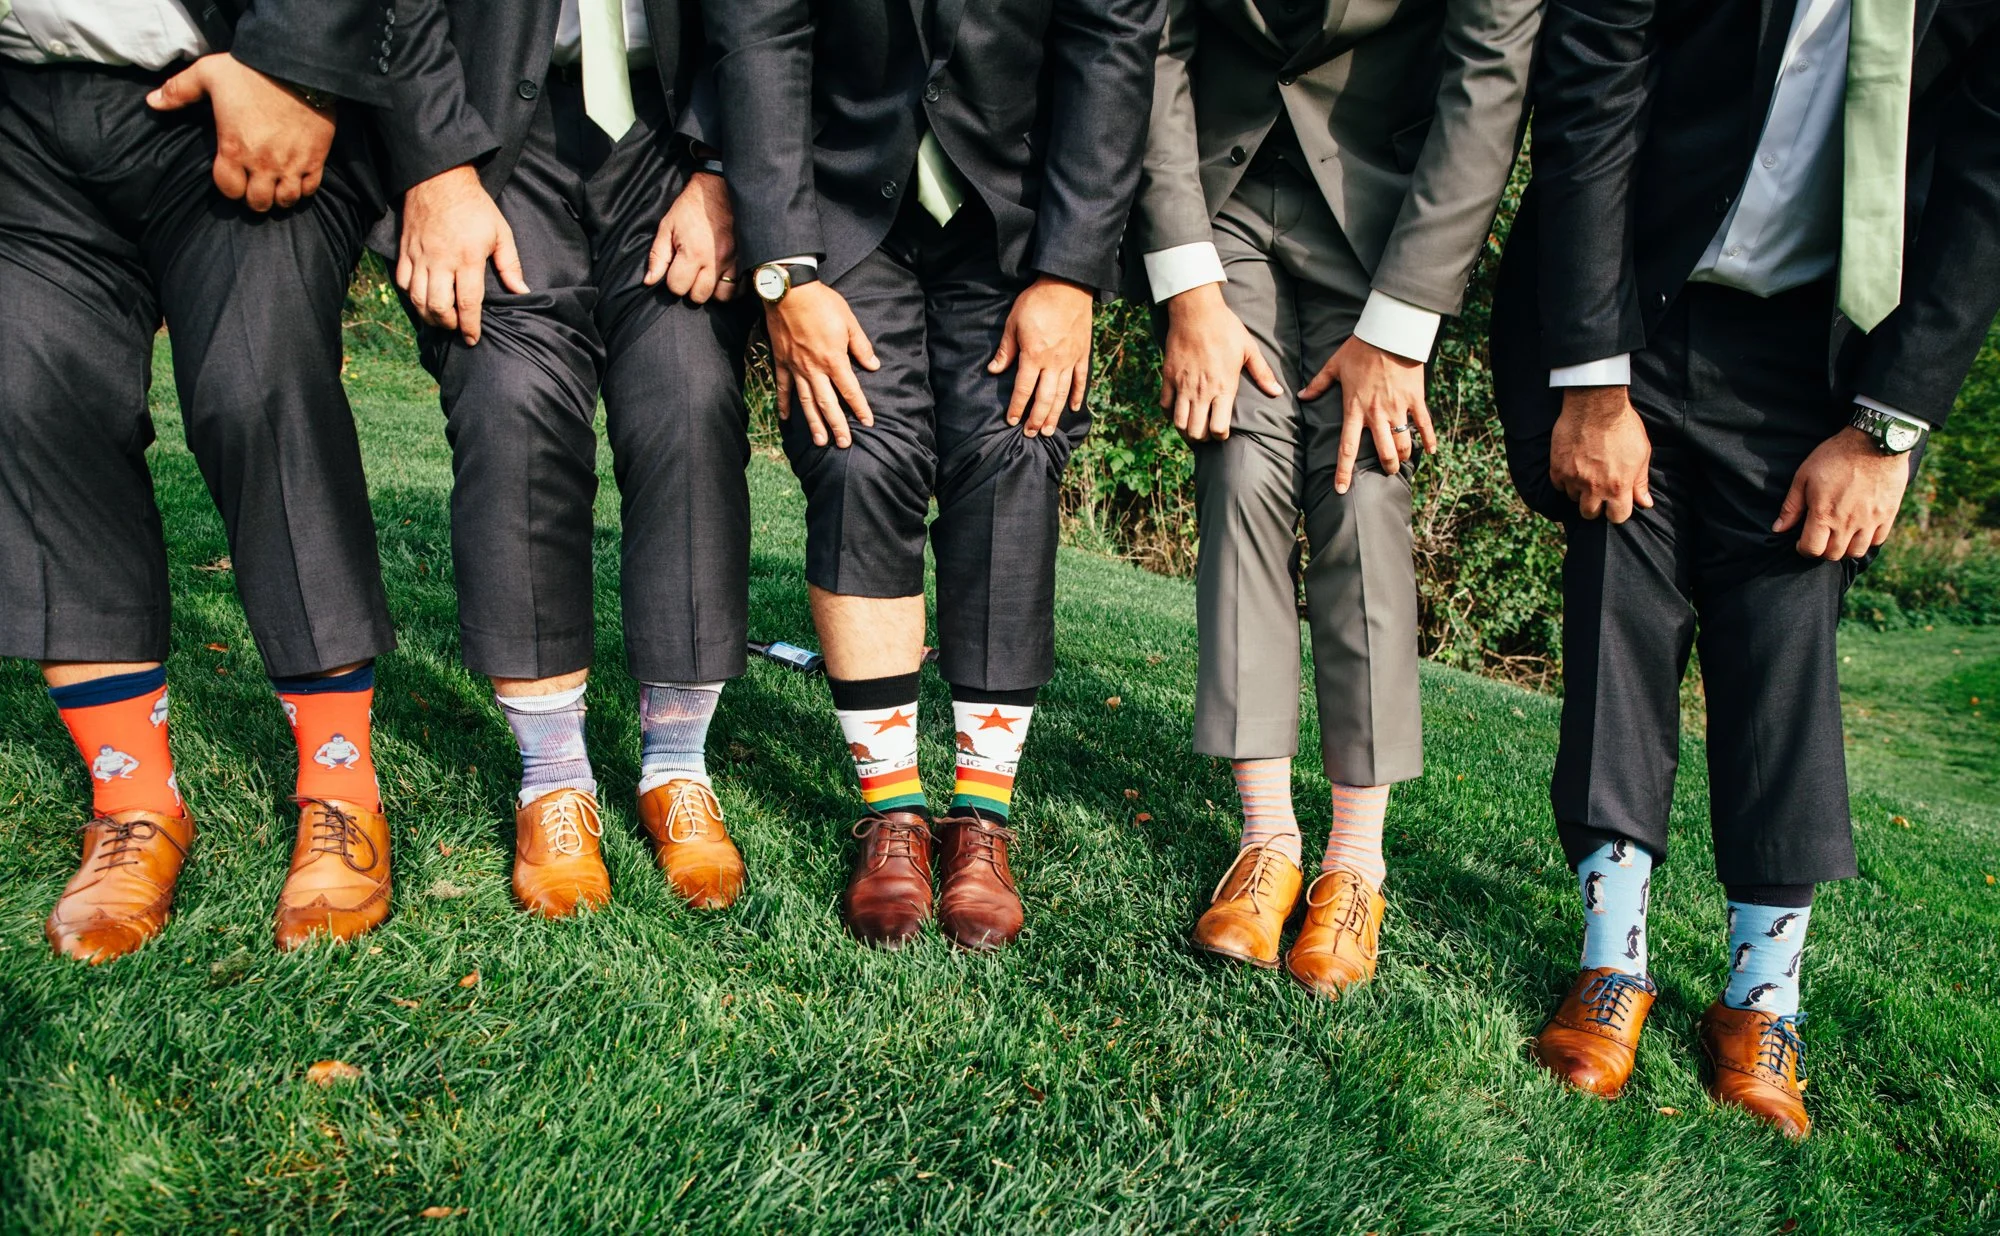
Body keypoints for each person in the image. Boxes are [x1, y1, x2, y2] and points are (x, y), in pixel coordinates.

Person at [1492, 0, 2000, 1138]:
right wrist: (1592, 381)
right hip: (1636, 309)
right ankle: (1610, 964)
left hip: (1825, 365)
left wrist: (1885, 429)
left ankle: (1760, 999)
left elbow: (1985, 185)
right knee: (1614, 605)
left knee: (1784, 648)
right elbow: (1590, 101)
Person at [707, 0, 1165, 949]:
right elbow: (761, 34)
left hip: (1019, 212)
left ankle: (981, 821)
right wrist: (785, 270)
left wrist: (1072, 272)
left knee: (1016, 448)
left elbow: (1113, 43)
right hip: (836, 206)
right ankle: (895, 814)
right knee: (854, 446)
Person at [1131, 0, 1539, 991]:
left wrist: (1401, 328)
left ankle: (1355, 864)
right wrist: (1185, 285)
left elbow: (1488, 80)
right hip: (1219, 198)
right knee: (1239, 468)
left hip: (1383, 217)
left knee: (1362, 493)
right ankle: (1266, 841)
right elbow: (1152, 39)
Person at [1, 0, 407, 959]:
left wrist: (296, 67)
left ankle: (341, 791)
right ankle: (134, 804)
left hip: (240, 84)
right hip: (21, 112)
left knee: (258, 390)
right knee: (25, 397)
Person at [379, 0, 753, 917]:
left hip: (676, 130)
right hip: (487, 127)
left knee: (689, 397)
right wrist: (435, 162)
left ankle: (677, 768)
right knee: (510, 401)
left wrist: (721, 166)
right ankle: (553, 780)